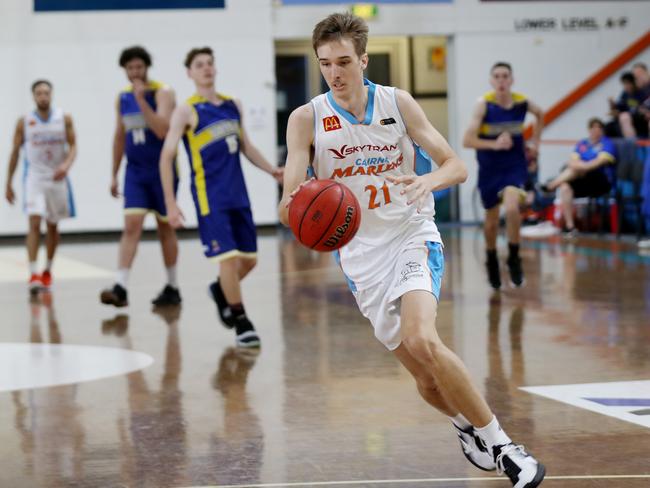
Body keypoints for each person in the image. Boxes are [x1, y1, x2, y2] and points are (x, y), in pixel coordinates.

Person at [278, 12, 545, 488]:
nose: (334, 73)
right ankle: (465, 426)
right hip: (361, 257)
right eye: (325, 64)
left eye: (343, 61)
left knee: (425, 339)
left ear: (363, 59)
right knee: (425, 377)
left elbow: (456, 165)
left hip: (410, 232)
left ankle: (505, 447)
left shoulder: (397, 103)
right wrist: (302, 208)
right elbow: (289, 203)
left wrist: (426, 180)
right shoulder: (307, 119)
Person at [160, 47, 283, 348]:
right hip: (209, 197)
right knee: (227, 261)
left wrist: (271, 170)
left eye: (210, 63)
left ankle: (220, 291)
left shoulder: (232, 105)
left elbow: (247, 146)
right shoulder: (187, 110)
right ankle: (241, 321)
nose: (206, 68)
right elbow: (166, 157)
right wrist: (171, 204)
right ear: (189, 73)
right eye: (199, 65)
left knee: (249, 261)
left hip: (238, 195)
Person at [100, 46, 180, 308]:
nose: (135, 72)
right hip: (134, 172)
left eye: (139, 67)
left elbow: (162, 131)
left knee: (164, 228)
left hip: (162, 172)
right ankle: (120, 286)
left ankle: (172, 286)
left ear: (147, 67)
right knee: (131, 226)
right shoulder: (121, 98)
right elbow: (118, 136)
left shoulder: (163, 92)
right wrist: (113, 173)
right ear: (124, 70)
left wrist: (143, 101)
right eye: (130, 68)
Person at [463, 62, 544, 290]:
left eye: (505, 76)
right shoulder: (484, 105)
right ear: (491, 81)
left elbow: (540, 114)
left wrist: (536, 143)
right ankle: (491, 259)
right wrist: (495, 143)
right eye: (496, 76)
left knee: (511, 207)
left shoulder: (522, 102)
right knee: (490, 223)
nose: (501, 80)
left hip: (514, 165)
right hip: (490, 167)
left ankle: (514, 257)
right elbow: (467, 141)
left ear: (511, 80)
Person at [4, 80, 77, 293]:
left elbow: (73, 146)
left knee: (53, 226)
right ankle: (33, 272)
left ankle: (48, 269)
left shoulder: (64, 119)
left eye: (46, 92)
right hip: (34, 178)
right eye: (39, 93)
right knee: (34, 222)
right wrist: (8, 182)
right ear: (33, 96)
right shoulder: (24, 122)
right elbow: (15, 153)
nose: (43, 96)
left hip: (57, 178)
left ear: (51, 94)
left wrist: (66, 164)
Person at [539, 118, 616, 237]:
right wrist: (581, 167)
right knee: (565, 187)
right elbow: (571, 162)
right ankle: (570, 227)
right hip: (582, 179)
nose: (596, 130)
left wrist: (583, 166)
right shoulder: (582, 144)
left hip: (600, 181)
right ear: (589, 130)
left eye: (599, 127)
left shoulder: (607, 143)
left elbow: (600, 162)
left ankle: (551, 186)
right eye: (593, 127)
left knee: (575, 170)